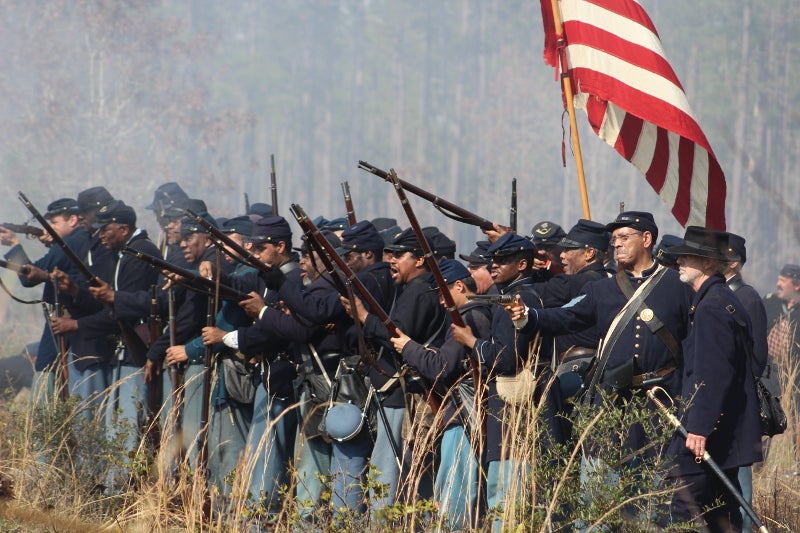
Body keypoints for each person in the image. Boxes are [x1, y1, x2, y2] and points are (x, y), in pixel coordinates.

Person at [452, 232, 564, 531]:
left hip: (515, 410)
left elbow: (506, 360)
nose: (494, 266)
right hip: (535, 400)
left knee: (506, 499)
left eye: (502, 261)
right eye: (493, 260)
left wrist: (472, 342)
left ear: (522, 264)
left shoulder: (514, 301)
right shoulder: (534, 294)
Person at [665, 226, 761, 531]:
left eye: (687, 257)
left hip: (707, 433)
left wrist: (698, 427)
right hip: (721, 431)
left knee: (682, 509)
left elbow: (713, 373)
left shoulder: (711, 307)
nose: (679, 262)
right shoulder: (718, 298)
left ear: (707, 263)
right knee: (721, 513)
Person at [391, 258, 492, 530]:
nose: (438, 300)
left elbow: (441, 368)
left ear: (459, 286)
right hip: (462, 413)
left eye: (441, 292)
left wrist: (409, 348)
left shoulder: (469, 318)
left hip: (464, 416)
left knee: (454, 491)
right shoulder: (474, 315)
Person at [0, 198, 89, 405]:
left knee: (47, 369)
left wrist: (14, 245)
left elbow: (27, 277)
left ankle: (45, 418)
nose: (50, 227)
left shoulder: (70, 244)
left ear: (73, 220)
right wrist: (52, 243)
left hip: (65, 319)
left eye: (55, 222)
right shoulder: (81, 241)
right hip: (74, 320)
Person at [725, 232, 769, 533]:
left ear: (733, 262)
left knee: (741, 489)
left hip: (740, 404)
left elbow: (757, 357)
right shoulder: (720, 294)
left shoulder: (747, 297)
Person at [763, 264, 800, 461]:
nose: (778, 284)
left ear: (796, 285)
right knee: (764, 417)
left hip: (795, 377)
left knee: (796, 422)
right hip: (768, 373)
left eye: (783, 281)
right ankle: (759, 466)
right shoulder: (770, 303)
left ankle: (796, 464)